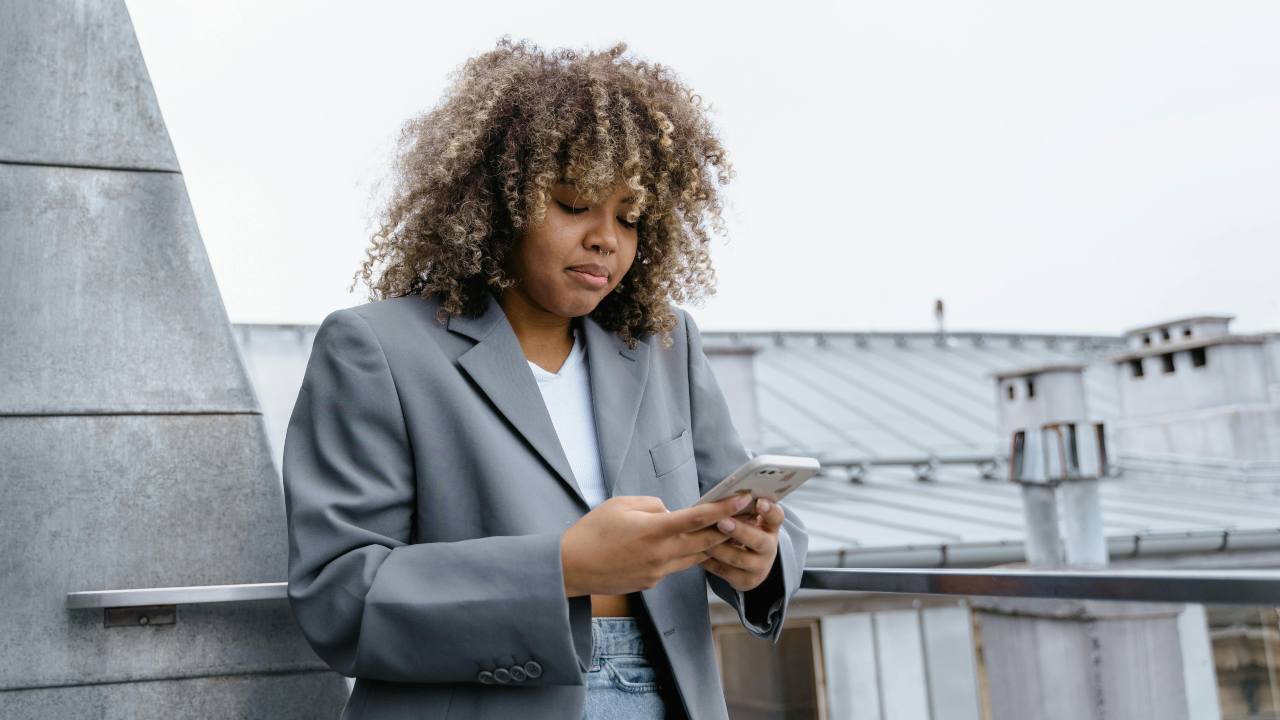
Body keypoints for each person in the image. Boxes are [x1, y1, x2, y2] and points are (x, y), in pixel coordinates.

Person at [282, 37, 808, 720]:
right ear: (497, 203)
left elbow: (765, 518)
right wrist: (564, 566)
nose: (606, 238)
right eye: (573, 204)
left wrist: (760, 559)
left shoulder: (662, 344)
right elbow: (339, 597)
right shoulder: (375, 349)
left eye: (629, 215)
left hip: (669, 694)